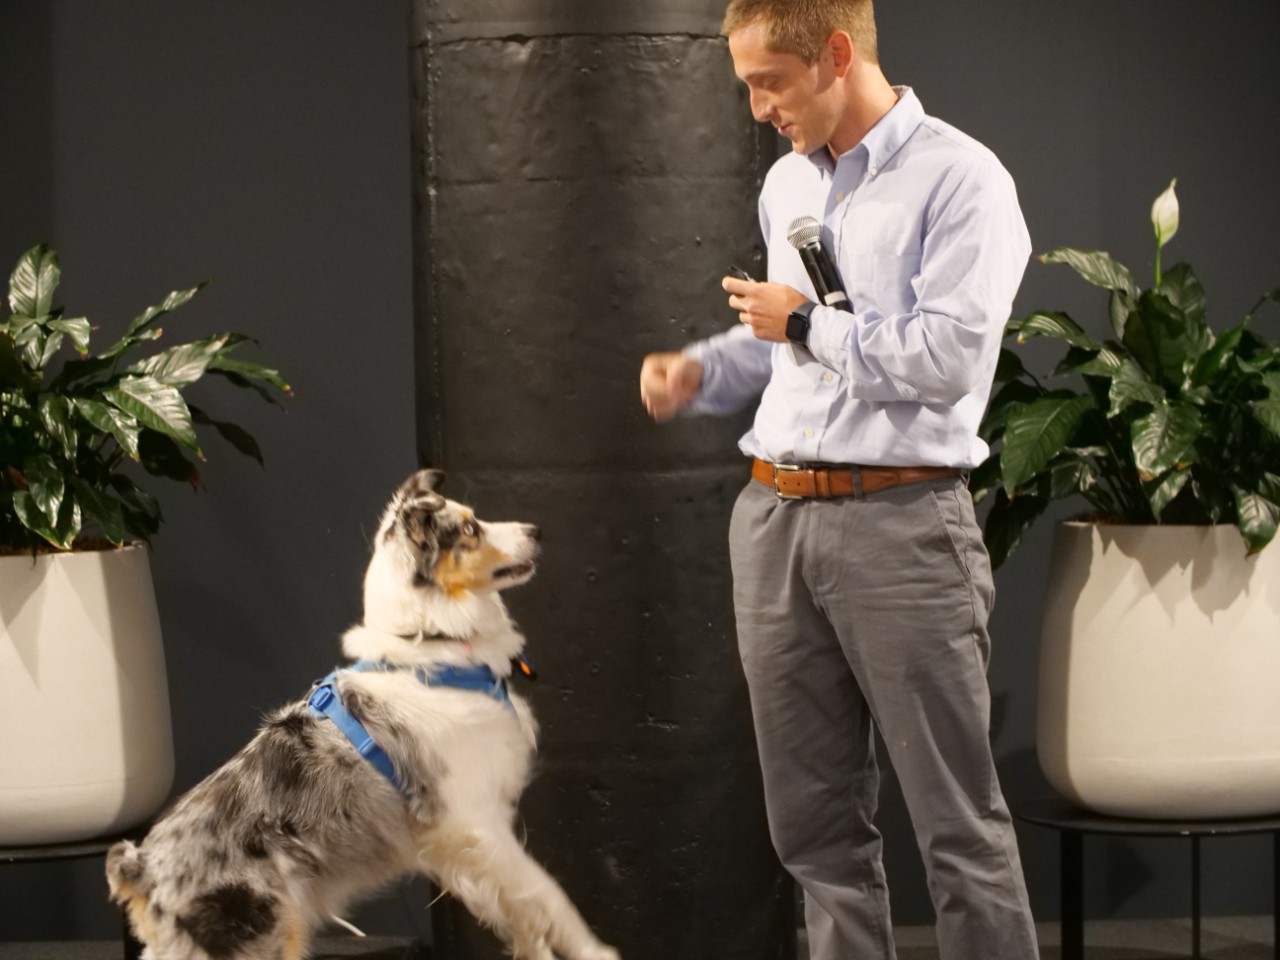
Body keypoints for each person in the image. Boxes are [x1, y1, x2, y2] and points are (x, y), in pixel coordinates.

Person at [638, 2, 1039, 959]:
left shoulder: (962, 178)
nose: (754, 107)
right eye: (745, 85)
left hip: (900, 521)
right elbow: (785, 348)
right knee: (813, 832)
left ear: (836, 54)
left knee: (958, 827)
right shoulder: (786, 187)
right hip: (774, 519)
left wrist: (804, 325)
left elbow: (946, 358)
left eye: (767, 81)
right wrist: (704, 370)